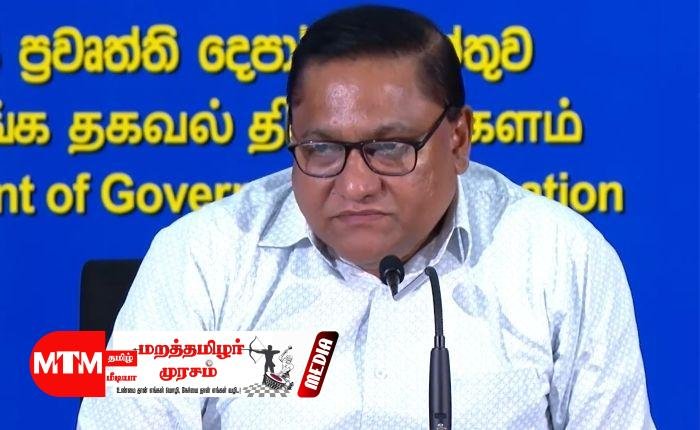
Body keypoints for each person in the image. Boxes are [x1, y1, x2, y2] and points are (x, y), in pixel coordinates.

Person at [78, 5, 655, 429]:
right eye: (322, 149)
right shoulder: (201, 258)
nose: (355, 185)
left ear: (458, 139)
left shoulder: (560, 259)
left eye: (390, 148)